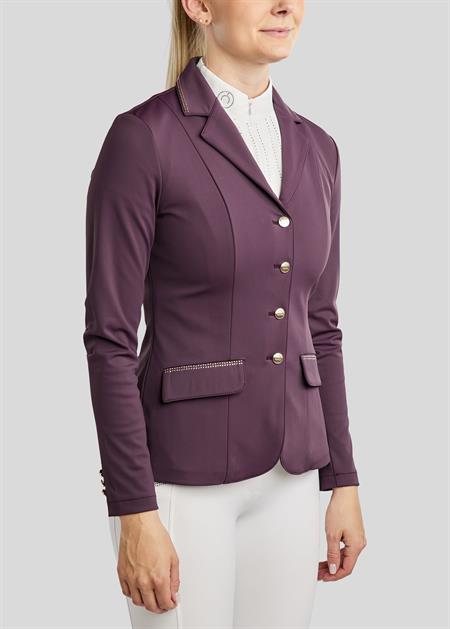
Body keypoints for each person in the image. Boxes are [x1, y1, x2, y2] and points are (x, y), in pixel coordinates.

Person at [83, 0, 367, 627]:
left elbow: (321, 326)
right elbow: (109, 340)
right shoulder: (144, 138)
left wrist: (342, 480)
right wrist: (133, 509)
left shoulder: (318, 148)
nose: (285, 6)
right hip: (181, 481)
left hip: (293, 473)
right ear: (200, 6)